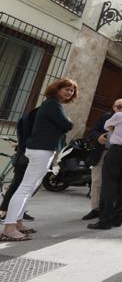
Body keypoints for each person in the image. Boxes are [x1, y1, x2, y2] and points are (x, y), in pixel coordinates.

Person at [1, 78, 77, 241]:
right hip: (41, 150)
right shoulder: (52, 105)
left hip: (40, 149)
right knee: (25, 187)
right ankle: (9, 228)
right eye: (66, 88)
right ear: (56, 89)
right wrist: (68, 121)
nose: (69, 92)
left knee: (29, 187)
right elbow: (67, 125)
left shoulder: (52, 105)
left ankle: (18, 223)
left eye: (72, 90)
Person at [88, 95, 122, 230]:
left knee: (109, 186)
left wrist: (116, 128)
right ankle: (118, 219)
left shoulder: (120, 115)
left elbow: (108, 126)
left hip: (116, 151)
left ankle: (105, 221)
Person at [82, 99, 122, 220]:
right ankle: (95, 209)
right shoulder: (105, 117)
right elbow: (92, 131)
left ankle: (110, 209)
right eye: (118, 106)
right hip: (101, 153)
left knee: (114, 183)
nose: (120, 108)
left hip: (117, 155)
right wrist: (98, 136)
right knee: (96, 182)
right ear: (113, 107)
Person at [0, 107, 39, 222]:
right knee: (18, 184)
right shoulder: (35, 118)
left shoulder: (31, 117)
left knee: (22, 185)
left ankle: (19, 211)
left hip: (25, 155)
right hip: (25, 157)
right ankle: (4, 211)